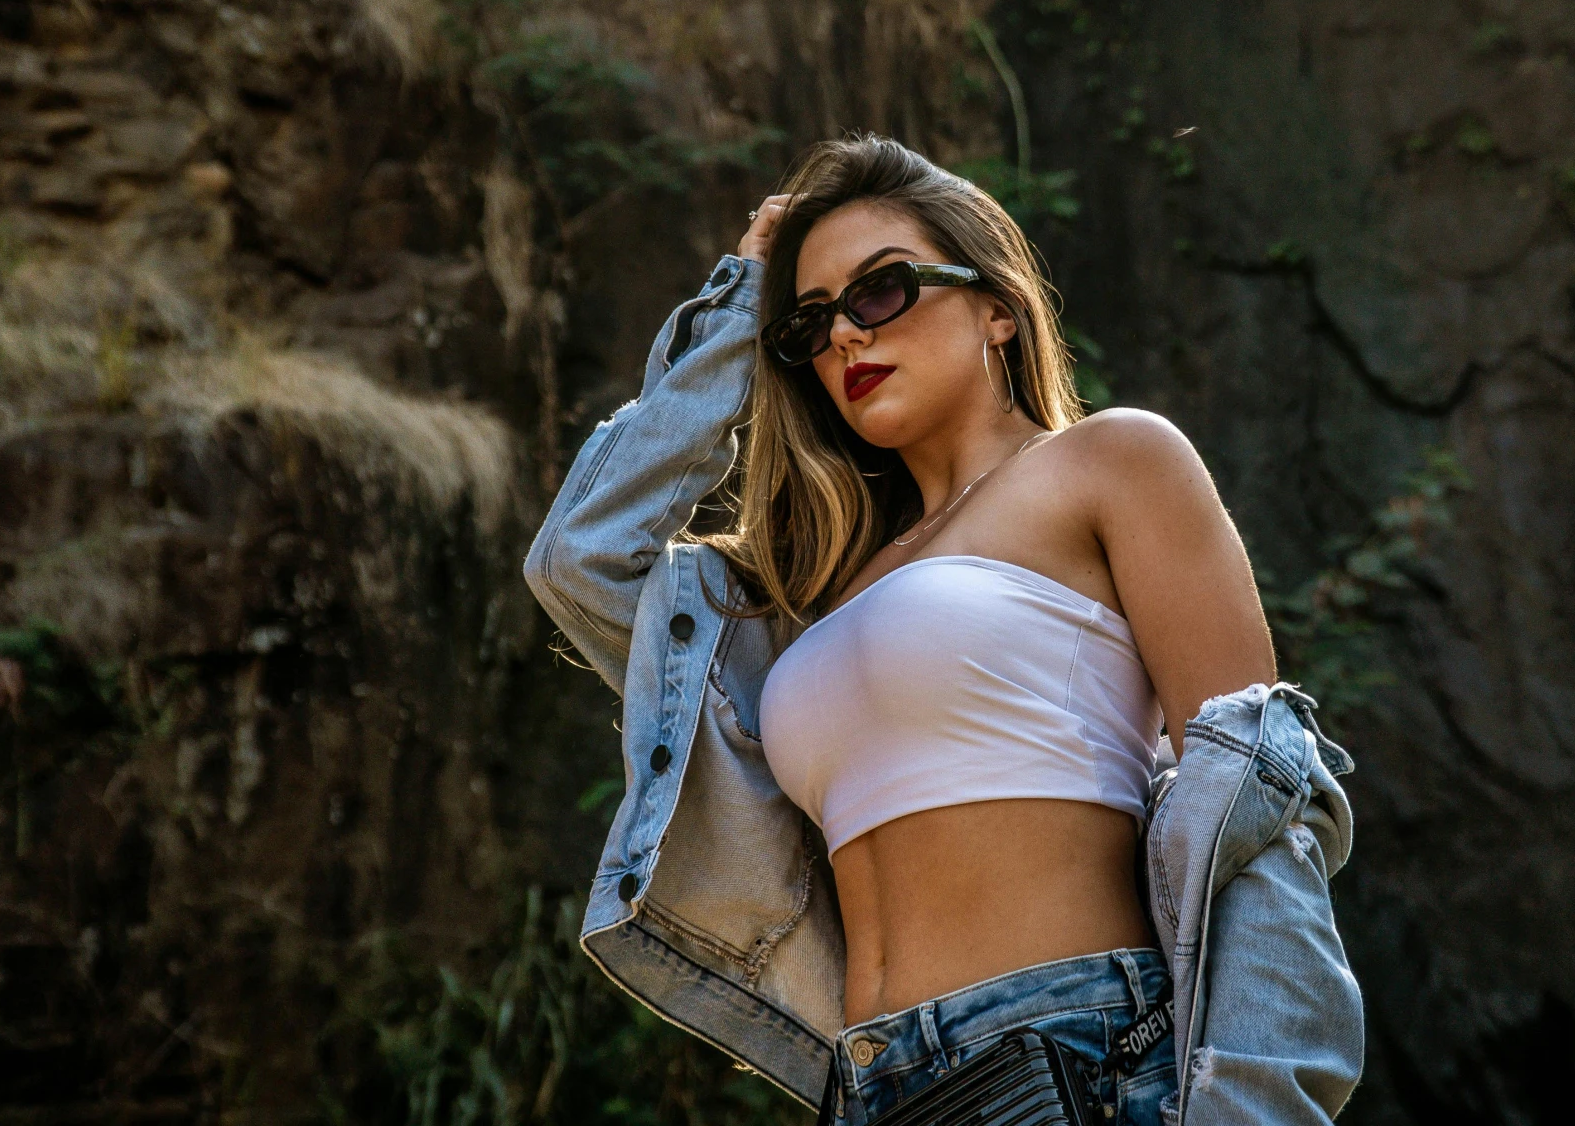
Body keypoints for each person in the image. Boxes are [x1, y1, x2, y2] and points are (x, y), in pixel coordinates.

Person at [525, 135, 1363, 1125]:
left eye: (881, 291)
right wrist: (738, 304)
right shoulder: (810, 596)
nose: (843, 336)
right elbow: (579, 555)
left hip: (1076, 1052)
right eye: (808, 321)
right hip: (866, 1087)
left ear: (997, 308)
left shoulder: (1110, 464)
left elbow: (1260, 810)